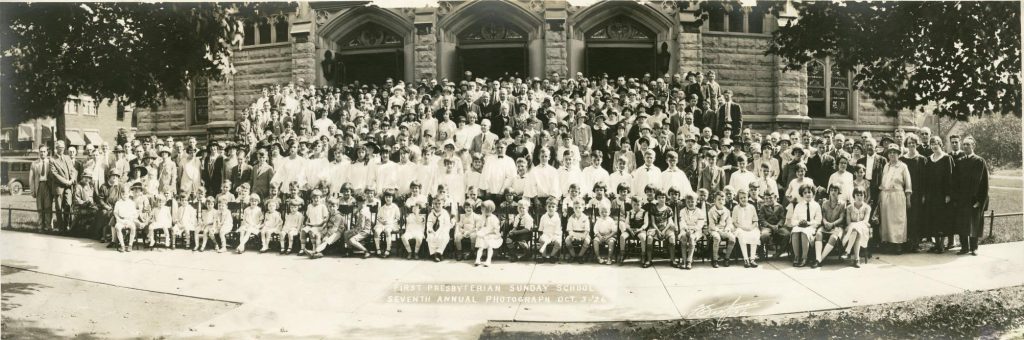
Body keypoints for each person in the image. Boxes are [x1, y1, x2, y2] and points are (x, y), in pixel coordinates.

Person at [951, 136, 988, 256]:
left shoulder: (979, 161)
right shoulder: (960, 162)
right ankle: (964, 247)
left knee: (974, 223)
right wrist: (955, 198)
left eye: (968, 144)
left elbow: (984, 183)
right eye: (965, 144)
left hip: (974, 199)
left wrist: (980, 200)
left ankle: (974, 247)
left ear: (974, 146)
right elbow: (955, 182)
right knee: (962, 223)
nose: (966, 146)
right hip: (961, 199)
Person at [921, 136, 954, 253]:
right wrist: (924, 194)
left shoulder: (946, 158)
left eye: (936, 143)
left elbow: (950, 178)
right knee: (933, 218)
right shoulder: (928, 159)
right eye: (932, 144)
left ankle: (941, 245)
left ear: (941, 145)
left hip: (942, 194)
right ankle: (936, 244)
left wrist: (948, 194)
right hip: (931, 194)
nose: (934, 146)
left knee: (942, 218)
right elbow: (925, 179)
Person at [878, 144, 913, 254]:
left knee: (897, 220)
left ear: (898, 154)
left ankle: (898, 244)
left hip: (897, 196)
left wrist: (908, 199)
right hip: (886, 195)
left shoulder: (903, 166)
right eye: (890, 152)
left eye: (894, 152)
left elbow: (908, 184)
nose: (892, 154)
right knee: (886, 221)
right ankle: (888, 243)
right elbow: (883, 183)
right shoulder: (886, 166)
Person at [813, 184, 846, 268]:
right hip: (826, 225)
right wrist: (825, 222)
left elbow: (841, 218)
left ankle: (820, 260)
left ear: (839, 192)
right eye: (831, 190)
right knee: (818, 234)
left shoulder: (842, 204)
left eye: (835, 190)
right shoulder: (825, 203)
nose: (833, 192)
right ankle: (817, 258)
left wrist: (832, 224)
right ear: (829, 191)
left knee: (833, 237)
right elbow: (823, 216)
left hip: (837, 226)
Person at [789, 184, 822, 267]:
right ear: (802, 194)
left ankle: (804, 258)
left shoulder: (816, 205)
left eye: (809, 192)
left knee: (805, 232)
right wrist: (799, 222)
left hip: (811, 227)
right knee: (794, 231)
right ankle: (796, 257)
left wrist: (808, 223)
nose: (808, 194)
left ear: (813, 193)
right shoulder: (798, 205)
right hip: (800, 226)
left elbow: (818, 220)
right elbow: (793, 220)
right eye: (805, 193)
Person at [50, 140, 79, 231]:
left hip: (68, 187)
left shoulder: (67, 158)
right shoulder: (52, 159)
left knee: (68, 205)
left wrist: (72, 179)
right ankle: (60, 227)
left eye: (63, 148)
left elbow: (73, 170)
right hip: (59, 187)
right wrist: (66, 181)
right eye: (59, 148)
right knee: (58, 208)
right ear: (56, 148)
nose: (61, 149)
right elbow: (54, 174)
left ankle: (67, 225)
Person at [645, 190, 677, 268]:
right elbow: (652, 222)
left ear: (666, 198)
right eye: (659, 197)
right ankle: (649, 260)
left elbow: (669, 222)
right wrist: (658, 231)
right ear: (656, 198)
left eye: (663, 197)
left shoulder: (668, 209)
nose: (661, 199)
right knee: (649, 238)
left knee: (672, 238)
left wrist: (664, 230)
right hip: (655, 228)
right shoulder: (653, 208)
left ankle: (672, 259)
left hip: (666, 228)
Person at [705, 191, 735, 268]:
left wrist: (727, 229)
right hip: (714, 229)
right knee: (717, 238)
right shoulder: (711, 211)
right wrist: (718, 231)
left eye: (723, 199)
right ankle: (715, 260)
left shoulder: (727, 211)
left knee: (732, 238)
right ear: (715, 200)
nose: (721, 201)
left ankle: (727, 258)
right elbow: (711, 225)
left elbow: (729, 222)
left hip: (724, 229)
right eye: (719, 199)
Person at [844, 186, 871, 267]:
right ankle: (856, 259)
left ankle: (847, 251)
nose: (859, 197)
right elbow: (848, 222)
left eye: (861, 195)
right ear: (854, 196)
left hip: (863, 228)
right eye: (857, 195)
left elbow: (865, 221)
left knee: (857, 229)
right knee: (855, 230)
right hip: (851, 229)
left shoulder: (867, 207)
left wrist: (856, 224)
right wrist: (855, 226)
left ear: (864, 196)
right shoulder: (849, 208)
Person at [732, 189, 760, 268]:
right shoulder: (736, 208)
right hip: (740, 227)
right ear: (738, 199)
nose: (743, 199)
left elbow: (755, 220)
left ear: (748, 197)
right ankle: (746, 259)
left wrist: (751, 227)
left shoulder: (752, 207)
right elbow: (734, 222)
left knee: (754, 235)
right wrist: (743, 228)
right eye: (741, 198)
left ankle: (752, 259)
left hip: (750, 227)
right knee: (741, 235)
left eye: (745, 197)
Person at [113, 183, 143, 252]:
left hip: (129, 220)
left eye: (126, 194)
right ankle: (122, 245)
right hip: (121, 220)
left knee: (133, 227)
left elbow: (134, 214)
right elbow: (115, 213)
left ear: (129, 194)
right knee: (117, 227)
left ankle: (130, 245)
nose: (125, 196)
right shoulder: (118, 203)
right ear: (121, 194)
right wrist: (120, 220)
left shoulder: (131, 203)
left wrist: (130, 219)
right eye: (123, 194)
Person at [30, 145, 53, 230]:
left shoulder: (51, 162)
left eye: (44, 151)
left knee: (48, 206)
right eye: (41, 151)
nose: (42, 153)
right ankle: (41, 225)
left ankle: (48, 226)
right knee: (39, 207)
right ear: (39, 152)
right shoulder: (34, 163)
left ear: (47, 152)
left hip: (48, 186)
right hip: (39, 186)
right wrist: (32, 190)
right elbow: (31, 178)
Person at [474, 200, 502, 267]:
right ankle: (478, 259)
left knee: (490, 246)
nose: (481, 210)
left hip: (491, 234)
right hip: (483, 234)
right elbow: (478, 225)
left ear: (489, 209)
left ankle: (488, 260)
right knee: (480, 247)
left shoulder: (494, 218)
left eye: (483, 209)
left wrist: (489, 234)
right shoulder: (482, 217)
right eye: (482, 208)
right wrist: (478, 229)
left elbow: (496, 229)